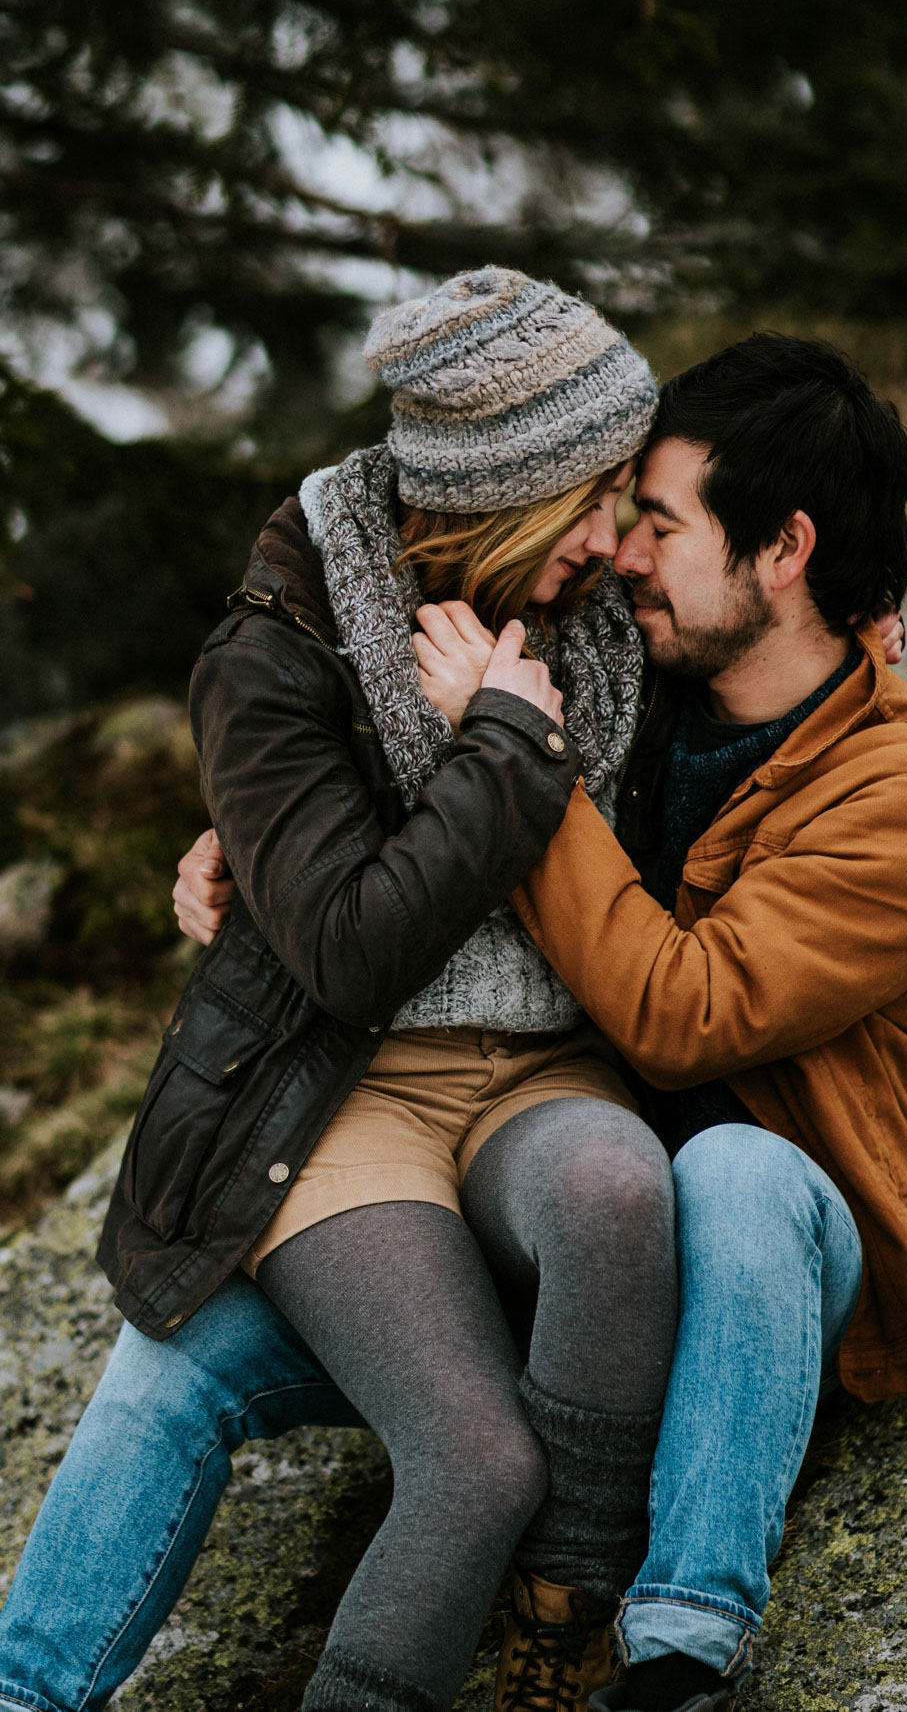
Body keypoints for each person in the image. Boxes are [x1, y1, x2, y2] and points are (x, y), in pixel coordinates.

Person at [176, 331, 907, 1712]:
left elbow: (685, 1014)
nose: (621, 550)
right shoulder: (665, 670)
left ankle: (670, 1639)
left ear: (784, 549)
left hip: (761, 1256)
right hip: (562, 1227)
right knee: (181, 1359)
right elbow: (379, 749)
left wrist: (517, 761)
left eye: (659, 522)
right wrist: (250, 841)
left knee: (722, 1175)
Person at [0, 266, 684, 1712]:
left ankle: (555, 1633)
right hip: (347, 1093)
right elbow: (354, 950)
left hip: (547, 1066)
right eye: (592, 502)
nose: (618, 543)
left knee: (623, 1195)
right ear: (500, 496)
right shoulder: (275, 650)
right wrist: (504, 749)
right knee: (474, 1459)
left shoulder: (611, 633)